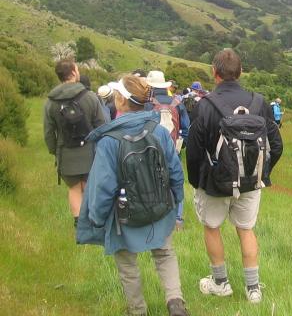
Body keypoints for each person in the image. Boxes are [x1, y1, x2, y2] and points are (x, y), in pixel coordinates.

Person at [76, 75, 189, 316]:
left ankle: (137, 310)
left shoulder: (108, 141)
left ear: (119, 100)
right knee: (165, 253)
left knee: (127, 264)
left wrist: (97, 217)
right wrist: (175, 200)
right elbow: (175, 171)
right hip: (161, 208)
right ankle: (175, 302)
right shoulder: (158, 131)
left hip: (124, 216)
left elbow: (102, 187)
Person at [187, 49, 283, 304]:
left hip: (215, 183)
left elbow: (194, 151)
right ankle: (253, 290)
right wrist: (263, 173)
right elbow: (277, 144)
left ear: (214, 72)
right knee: (246, 229)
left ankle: (220, 283)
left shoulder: (204, 105)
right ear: (240, 72)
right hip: (251, 181)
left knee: (212, 227)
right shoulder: (259, 103)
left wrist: (197, 182)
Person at [43, 59, 106, 227]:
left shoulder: (50, 101)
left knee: (74, 188)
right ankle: (91, 221)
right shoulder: (90, 96)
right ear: (72, 73)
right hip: (89, 151)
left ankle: (79, 224)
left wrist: (54, 151)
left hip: (65, 152)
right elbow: (102, 125)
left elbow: (49, 133)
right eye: (77, 69)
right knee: (87, 186)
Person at [146, 70, 190, 229]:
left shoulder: (147, 103)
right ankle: (177, 218)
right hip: (173, 149)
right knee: (176, 180)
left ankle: (155, 216)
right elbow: (186, 128)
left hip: (150, 149)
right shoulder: (178, 103)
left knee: (152, 181)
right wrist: (179, 146)